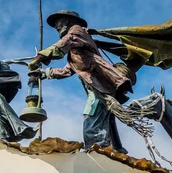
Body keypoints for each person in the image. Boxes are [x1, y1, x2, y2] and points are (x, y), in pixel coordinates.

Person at [28, 10, 132, 152]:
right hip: (96, 88)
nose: (57, 26)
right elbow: (67, 70)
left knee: (91, 123)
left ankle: (98, 152)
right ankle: (111, 149)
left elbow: (64, 43)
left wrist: (41, 57)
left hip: (99, 87)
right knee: (101, 121)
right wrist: (45, 73)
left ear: (69, 22)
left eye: (59, 22)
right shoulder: (75, 49)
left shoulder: (76, 32)